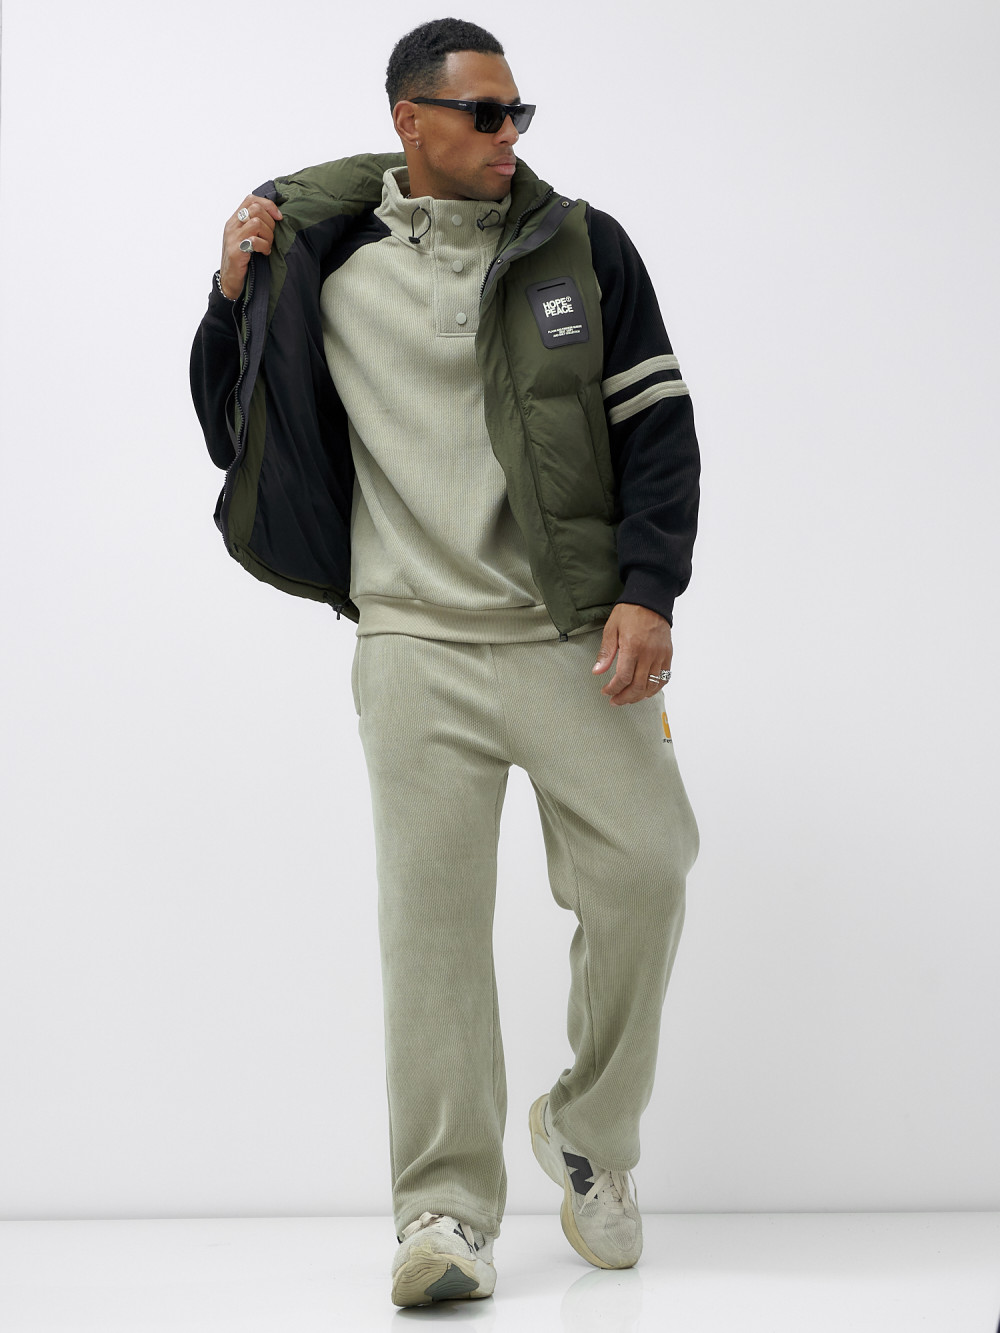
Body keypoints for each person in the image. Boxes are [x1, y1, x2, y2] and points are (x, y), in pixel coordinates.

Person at [190, 16, 700, 1309]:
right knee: (432, 934)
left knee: (648, 867)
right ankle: (444, 1210)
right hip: (412, 642)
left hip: (570, 635)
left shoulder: (582, 246)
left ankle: (590, 1130)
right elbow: (229, 418)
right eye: (483, 113)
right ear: (408, 121)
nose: (508, 134)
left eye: (519, 111)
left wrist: (649, 590)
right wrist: (230, 293)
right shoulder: (327, 255)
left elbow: (657, 423)